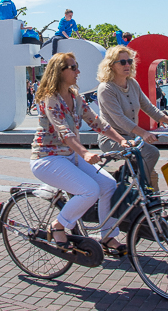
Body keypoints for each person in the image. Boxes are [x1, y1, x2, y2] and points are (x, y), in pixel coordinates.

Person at [31, 52, 130, 255]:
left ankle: (108, 235)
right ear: (60, 71)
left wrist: (121, 140)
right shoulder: (51, 99)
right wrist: (85, 153)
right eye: (73, 67)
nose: (78, 71)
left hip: (70, 156)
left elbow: (96, 121)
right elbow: (63, 131)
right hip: (47, 159)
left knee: (109, 184)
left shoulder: (75, 97)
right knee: (89, 190)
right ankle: (57, 226)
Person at [96, 45, 168, 192]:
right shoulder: (106, 88)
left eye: (129, 61)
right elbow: (120, 119)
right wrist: (143, 133)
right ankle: (138, 189)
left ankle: (127, 181)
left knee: (147, 158)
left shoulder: (132, 83)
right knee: (151, 153)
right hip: (113, 140)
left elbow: (148, 107)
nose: (127, 65)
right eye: (122, 62)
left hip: (131, 138)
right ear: (111, 65)